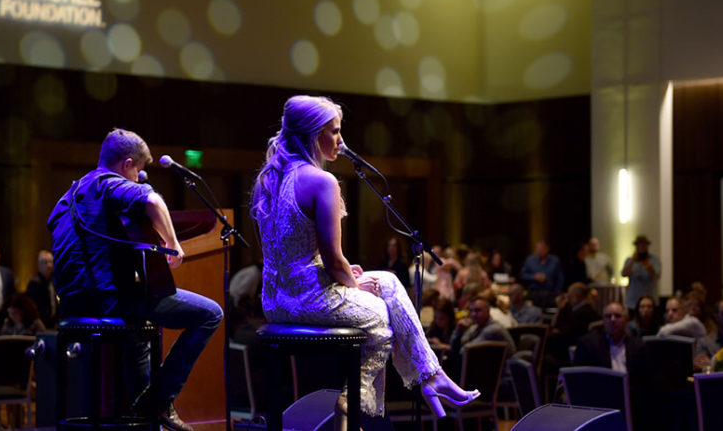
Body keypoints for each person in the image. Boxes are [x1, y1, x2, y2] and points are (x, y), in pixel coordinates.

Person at [250, 96, 478, 419]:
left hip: (275, 300)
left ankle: (431, 376)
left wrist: (352, 279)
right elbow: (333, 261)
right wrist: (353, 284)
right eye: (334, 132)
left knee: (388, 281)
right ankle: (356, 401)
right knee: (381, 319)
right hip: (309, 299)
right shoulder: (322, 182)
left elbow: (296, 256)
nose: (341, 141)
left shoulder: (268, 180)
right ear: (313, 134)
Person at [48, 128, 222, 431]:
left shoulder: (72, 193)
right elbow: (153, 201)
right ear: (127, 164)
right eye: (139, 170)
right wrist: (174, 244)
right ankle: (157, 402)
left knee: (142, 328)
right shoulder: (109, 182)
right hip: (108, 301)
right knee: (210, 314)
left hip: (74, 304)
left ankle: (145, 415)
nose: (139, 176)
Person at [574, 301, 649, 385]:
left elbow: (644, 379)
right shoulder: (588, 344)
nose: (612, 320)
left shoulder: (638, 346)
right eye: (608, 316)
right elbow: (580, 379)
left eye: (617, 316)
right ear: (603, 320)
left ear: (626, 320)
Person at [519, 240, 563, 307]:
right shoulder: (530, 259)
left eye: (541, 249)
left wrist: (556, 293)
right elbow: (522, 275)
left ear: (547, 249)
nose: (539, 251)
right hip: (534, 292)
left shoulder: (555, 261)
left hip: (550, 293)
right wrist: (534, 277)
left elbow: (560, 279)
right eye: (538, 249)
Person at [622, 235, 660, 310]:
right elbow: (624, 274)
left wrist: (646, 264)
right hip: (633, 301)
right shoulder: (629, 260)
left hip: (650, 299)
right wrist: (633, 261)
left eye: (643, 245)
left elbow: (656, 274)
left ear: (647, 246)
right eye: (639, 245)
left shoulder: (654, 260)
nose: (641, 247)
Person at [25, 250, 58, 328]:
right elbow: (31, 308)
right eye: (45, 263)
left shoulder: (54, 281)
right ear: (39, 265)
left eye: (51, 262)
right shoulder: (34, 283)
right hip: (40, 325)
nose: (49, 265)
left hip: (53, 324)